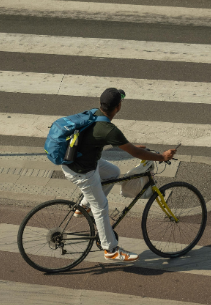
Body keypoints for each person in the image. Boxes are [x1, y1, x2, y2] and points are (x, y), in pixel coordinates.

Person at [61, 88, 177, 262]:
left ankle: (84, 206)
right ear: (118, 106)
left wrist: (130, 146)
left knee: (113, 172)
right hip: (82, 170)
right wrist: (162, 157)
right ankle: (111, 249)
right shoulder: (108, 128)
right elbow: (135, 154)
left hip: (76, 160)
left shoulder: (94, 113)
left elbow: (105, 140)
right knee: (101, 207)